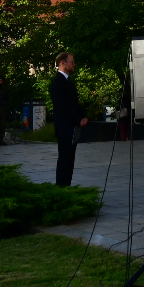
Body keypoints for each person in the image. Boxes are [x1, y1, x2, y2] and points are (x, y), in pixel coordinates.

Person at [50, 52, 86, 186]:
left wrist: (82, 116)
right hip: (65, 126)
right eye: (72, 62)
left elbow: (74, 102)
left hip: (71, 125)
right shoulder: (57, 82)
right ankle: (62, 185)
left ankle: (67, 185)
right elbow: (63, 105)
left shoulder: (67, 81)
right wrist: (78, 119)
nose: (74, 64)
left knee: (70, 158)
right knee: (65, 157)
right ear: (63, 63)